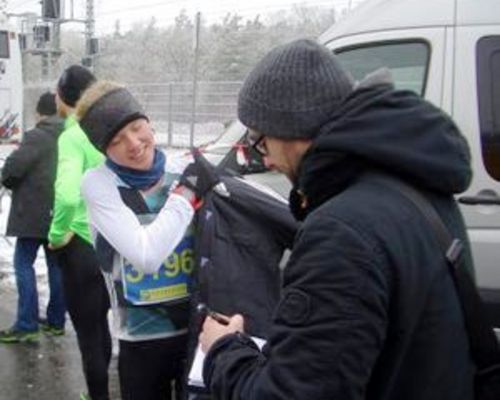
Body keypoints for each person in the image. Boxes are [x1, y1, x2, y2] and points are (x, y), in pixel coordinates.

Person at [199, 39, 476, 399]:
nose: (264, 159)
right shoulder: (418, 187)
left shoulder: (342, 233)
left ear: (293, 126)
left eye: (260, 140)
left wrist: (225, 350)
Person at [76, 81, 213, 400]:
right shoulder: (99, 183)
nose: (134, 144)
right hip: (141, 340)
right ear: (103, 149)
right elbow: (146, 255)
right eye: (116, 140)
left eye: (137, 128)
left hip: (194, 330)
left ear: (148, 122)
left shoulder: (181, 170)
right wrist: (186, 195)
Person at [48, 65, 111, 400]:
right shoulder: (104, 130)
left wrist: (58, 234)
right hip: (111, 243)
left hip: (81, 245)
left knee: (88, 334)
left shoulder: (72, 135)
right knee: (102, 323)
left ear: (64, 97)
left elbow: (67, 194)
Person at [0, 92, 66, 343]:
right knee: (56, 267)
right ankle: (56, 322)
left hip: (31, 215)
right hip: (59, 214)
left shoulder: (37, 136)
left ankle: (26, 323)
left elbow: (13, 169)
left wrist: (7, 179)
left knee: (23, 264)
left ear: (40, 113)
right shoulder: (70, 136)